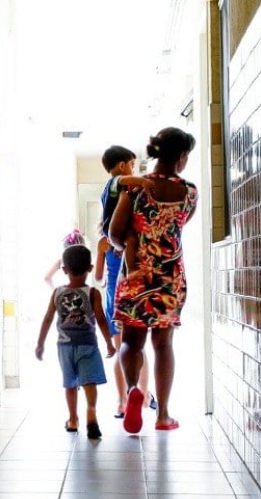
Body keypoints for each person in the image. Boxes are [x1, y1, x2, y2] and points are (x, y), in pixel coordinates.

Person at [109, 127, 198, 433]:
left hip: (137, 275)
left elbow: (115, 234)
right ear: (182, 158)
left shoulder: (134, 190)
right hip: (170, 278)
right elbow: (177, 227)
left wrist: (132, 245)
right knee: (164, 344)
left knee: (132, 344)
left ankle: (134, 389)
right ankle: (163, 415)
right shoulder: (189, 193)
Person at [36, 244, 117, 439]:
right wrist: (109, 342)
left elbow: (47, 318)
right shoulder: (93, 293)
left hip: (65, 346)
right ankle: (91, 411)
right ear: (90, 268)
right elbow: (101, 319)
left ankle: (73, 419)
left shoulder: (57, 293)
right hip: (88, 344)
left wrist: (40, 343)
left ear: (64, 270)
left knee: (70, 384)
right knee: (89, 382)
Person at [95, 231, 154, 417]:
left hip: (115, 297)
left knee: (121, 350)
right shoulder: (137, 235)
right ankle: (144, 395)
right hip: (137, 293)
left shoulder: (104, 242)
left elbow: (98, 277)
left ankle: (122, 402)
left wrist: (106, 280)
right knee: (139, 347)